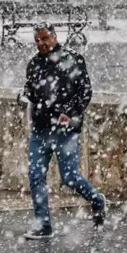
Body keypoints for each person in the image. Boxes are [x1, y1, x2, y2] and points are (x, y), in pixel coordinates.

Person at [20, 22, 106, 240]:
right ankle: (43, 224)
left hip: (65, 128)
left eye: (45, 39)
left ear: (55, 37)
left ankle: (97, 199)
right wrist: (23, 98)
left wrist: (69, 113)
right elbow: (29, 92)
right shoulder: (34, 64)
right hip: (40, 129)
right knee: (35, 175)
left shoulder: (72, 60)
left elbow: (85, 92)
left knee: (69, 177)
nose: (41, 44)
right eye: (37, 40)